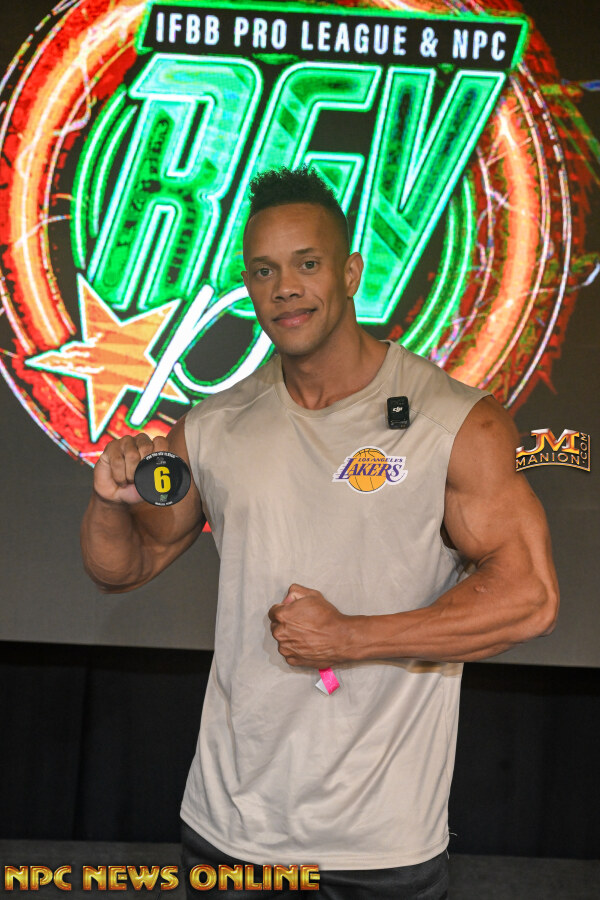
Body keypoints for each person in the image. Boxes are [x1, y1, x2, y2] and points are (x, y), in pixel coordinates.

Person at [81, 166, 559, 899]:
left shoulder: (455, 422)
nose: (285, 288)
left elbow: (530, 598)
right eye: (264, 271)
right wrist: (110, 503)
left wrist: (350, 638)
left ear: (351, 273)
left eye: (307, 264)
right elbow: (125, 565)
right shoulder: (215, 426)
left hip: (378, 844)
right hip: (229, 825)